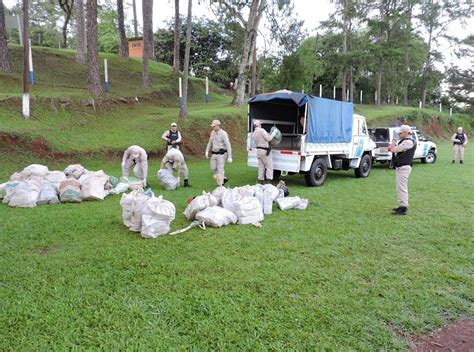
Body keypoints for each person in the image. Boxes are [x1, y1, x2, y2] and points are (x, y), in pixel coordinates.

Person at [388, 125, 416, 216]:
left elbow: (393, 149)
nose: (399, 134)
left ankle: (404, 207)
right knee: (400, 188)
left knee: (402, 188)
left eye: (401, 133)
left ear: (406, 132)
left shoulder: (408, 142)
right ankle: (401, 205)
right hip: (402, 167)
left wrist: (393, 141)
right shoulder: (406, 141)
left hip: (404, 167)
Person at [205, 120, 232, 186]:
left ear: (218, 126)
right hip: (214, 153)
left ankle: (221, 185)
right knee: (213, 168)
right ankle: (223, 178)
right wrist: (207, 151)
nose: (213, 128)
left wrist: (230, 156)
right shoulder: (212, 133)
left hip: (221, 154)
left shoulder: (223, 134)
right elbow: (210, 142)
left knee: (220, 169)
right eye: (212, 126)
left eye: (214, 126)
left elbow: (228, 145)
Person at [252, 120, 278, 184]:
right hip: (264, 150)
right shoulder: (262, 130)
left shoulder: (254, 133)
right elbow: (269, 138)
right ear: (259, 125)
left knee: (261, 166)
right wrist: (274, 133)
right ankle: (269, 181)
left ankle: (260, 181)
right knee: (269, 166)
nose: (261, 125)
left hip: (258, 151)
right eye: (260, 124)